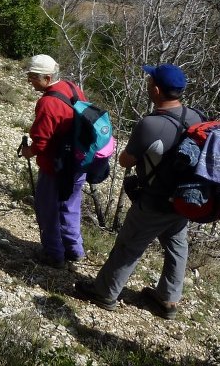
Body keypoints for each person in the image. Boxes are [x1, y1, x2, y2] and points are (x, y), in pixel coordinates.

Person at [74, 63, 205, 319]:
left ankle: (104, 292)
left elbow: (126, 160)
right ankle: (167, 300)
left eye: (149, 82)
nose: (147, 85)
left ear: (155, 89)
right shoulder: (196, 117)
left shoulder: (151, 124)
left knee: (129, 245)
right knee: (177, 248)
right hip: (182, 199)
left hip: (154, 200)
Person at [20, 54, 89, 269]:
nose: (30, 80)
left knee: (48, 210)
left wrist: (28, 152)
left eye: (33, 77)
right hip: (78, 163)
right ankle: (74, 250)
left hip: (55, 167)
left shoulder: (48, 103)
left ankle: (54, 254)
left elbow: (41, 142)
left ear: (47, 78)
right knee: (70, 207)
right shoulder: (72, 88)